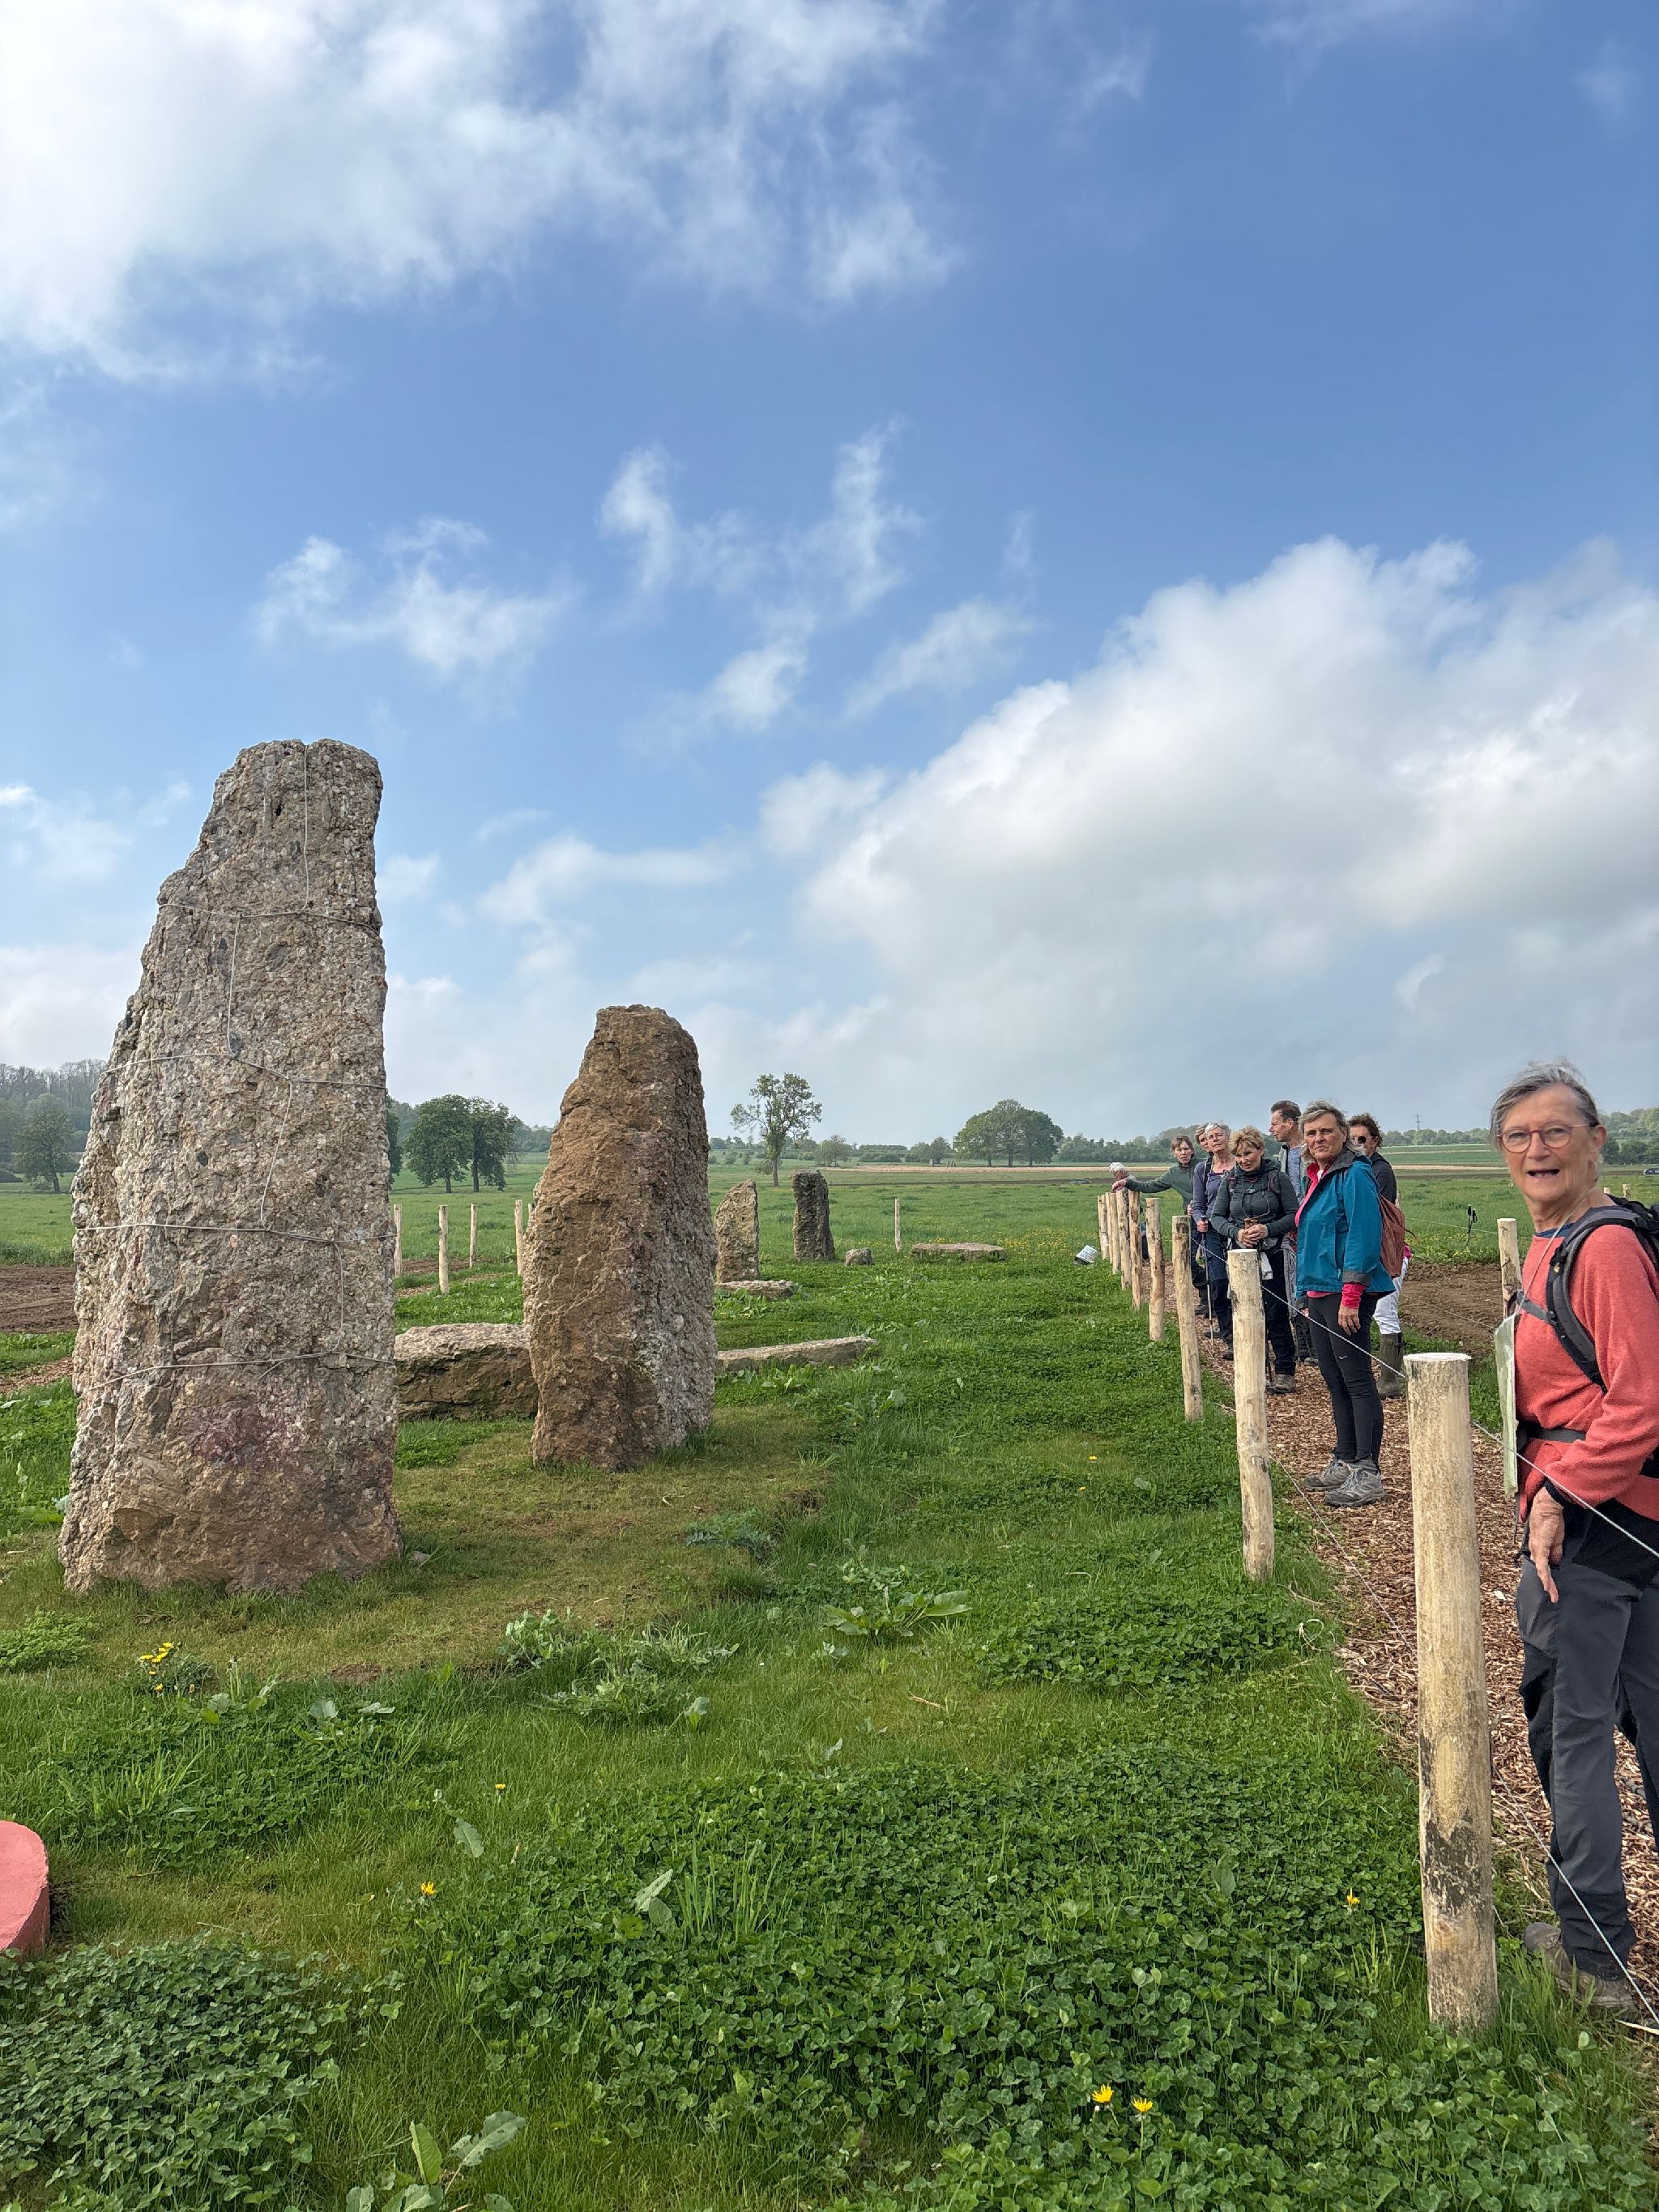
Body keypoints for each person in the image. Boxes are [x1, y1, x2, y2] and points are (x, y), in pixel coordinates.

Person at [1499, 1061, 1659, 2014]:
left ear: (1595, 1139)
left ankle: (1592, 1954)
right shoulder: (1565, 1239)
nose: (1536, 1149)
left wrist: (1559, 1494)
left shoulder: (1598, 1249)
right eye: (1518, 1135)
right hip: (1636, 1515)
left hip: (1594, 1522)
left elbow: (1639, 1401)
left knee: (1572, 1730)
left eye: (1554, 1130)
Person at [1294, 1101, 1393, 1506]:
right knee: (1333, 1378)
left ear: (1342, 1135)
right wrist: (1303, 1294)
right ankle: (1345, 1457)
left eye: (1326, 1131)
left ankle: (1368, 1472)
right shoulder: (1317, 1176)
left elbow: (1363, 1235)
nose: (1319, 1138)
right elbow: (1309, 1239)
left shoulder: (1355, 1174)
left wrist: (1352, 1295)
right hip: (1319, 1291)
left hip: (1344, 1292)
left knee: (1357, 1380)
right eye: (1312, 1133)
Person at [1210, 1127, 1299, 1392]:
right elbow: (1217, 1217)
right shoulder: (1230, 1181)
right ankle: (1253, 1365)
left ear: (1261, 1150)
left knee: (1276, 1310)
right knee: (1245, 1309)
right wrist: (1237, 1233)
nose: (1243, 1160)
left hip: (1273, 1253)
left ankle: (1285, 1370)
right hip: (1241, 1256)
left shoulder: (1278, 1178)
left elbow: (1293, 1215)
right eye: (1238, 1155)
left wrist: (1267, 1229)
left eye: (1248, 1153)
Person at [1349, 1111, 1409, 1401]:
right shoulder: (1357, 1166)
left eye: (1362, 1139)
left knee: (1385, 1311)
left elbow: (1372, 1214)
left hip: (1385, 1252)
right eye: (1352, 1139)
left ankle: (1389, 1380)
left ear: (1374, 1141)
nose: (1357, 1144)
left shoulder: (1380, 1170)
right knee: (1368, 1311)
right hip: (1367, 1250)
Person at [1114, 1134, 1202, 1300]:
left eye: (1186, 1149)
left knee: (1214, 1260)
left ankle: (1218, 1299)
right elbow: (1151, 1186)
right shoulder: (1173, 1173)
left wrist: (1200, 1205)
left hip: (1212, 1216)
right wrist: (1127, 1183)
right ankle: (1206, 1293)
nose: (1183, 1153)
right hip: (1191, 1220)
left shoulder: (1204, 1166)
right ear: (1174, 1153)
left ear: (1192, 1150)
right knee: (1186, 1259)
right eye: (1179, 1150)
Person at [1269, 1100, 1313, 1365]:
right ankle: (1303, 1345)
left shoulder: (1310, 1150)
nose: (1271, 1129)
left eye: (1275, 1123)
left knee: (1309, 1280)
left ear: (1290, 1123)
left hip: (1310, 1225)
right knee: (1293, 1280)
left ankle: (1315, 1344)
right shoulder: (1284, 1153)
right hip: (1292, 1227)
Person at [1192, 1123, 1236, 1354]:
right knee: (1219, 1282)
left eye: (1219, 1135)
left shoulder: (1240, 1163)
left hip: (1237, 1231)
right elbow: (1198, 1203)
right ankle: (1229, 1336)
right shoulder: (1203, 1169)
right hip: (1212, 1232)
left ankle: (1250, 1332)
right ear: (1206, 1143)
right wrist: (1199, 1218)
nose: (1215, 1139)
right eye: (1210, 1137)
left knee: (1243, 1283)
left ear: (1228, 1138)